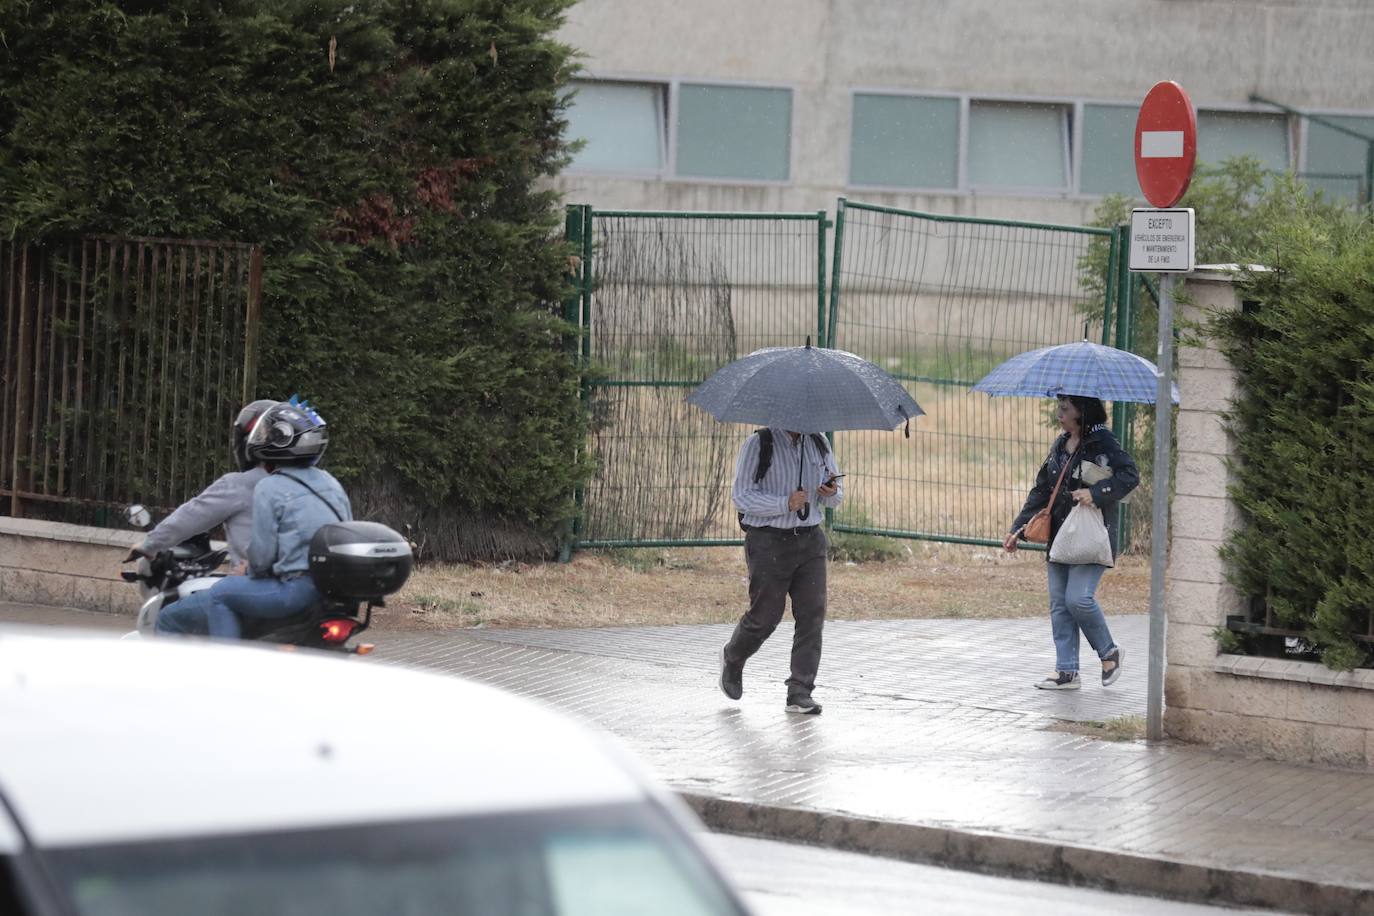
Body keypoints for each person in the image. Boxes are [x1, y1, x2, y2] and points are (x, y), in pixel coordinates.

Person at [156, 399, 351, 639]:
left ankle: (230, 670)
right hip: (329, 591)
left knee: (215, 596)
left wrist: (248, 569)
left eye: (265, 433)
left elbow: (261, 556)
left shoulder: (270, 486)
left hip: (294, 590)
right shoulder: (330, 483)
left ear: (279, 441)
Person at [1003, 395, 1139, 690]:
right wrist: (1018, 528)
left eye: (1065, 409)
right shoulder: (1061, 444)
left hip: (1090, 534)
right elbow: (1042, 491)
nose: (1059, 415)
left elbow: (1130, 475)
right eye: (1059, 408)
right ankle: (1067, 671)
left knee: (1078, 599)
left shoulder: (1103, 443)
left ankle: (1109, 652)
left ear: (1083, 411)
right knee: (1059, 604)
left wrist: (1097, 492)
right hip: (1059, 536)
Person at [719, 428, 843, 715]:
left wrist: (831, 491)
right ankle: (734, 656)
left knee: (812, 614)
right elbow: (742, 497)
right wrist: (784, 503)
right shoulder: (758, 443)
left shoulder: (818, 441)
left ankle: (800, 691)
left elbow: (835, 497)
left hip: (811, 539)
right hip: (768, 541)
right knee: (766, 616)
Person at [126, 399, 279, 569]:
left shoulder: (241, 484)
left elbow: (190, 517)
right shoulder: (309, 482)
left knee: (191, 597)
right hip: (303, 584)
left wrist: (149, 545)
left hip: (254, 584)